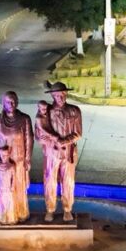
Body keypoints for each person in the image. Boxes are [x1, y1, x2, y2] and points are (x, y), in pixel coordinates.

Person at [0, 91, 33, 225]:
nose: (11, 104)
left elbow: (29, 140)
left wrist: (28, 159)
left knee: (17, 187)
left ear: (17, 102)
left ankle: (20, 214)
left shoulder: (25, 119)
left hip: (19, 161)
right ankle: (3, 216)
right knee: (3, 190)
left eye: (13, 101)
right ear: (3, 103)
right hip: (2, 162)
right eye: (7, 101)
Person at [42, 81, 82, 222]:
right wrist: (51, 141)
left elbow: (78, 133)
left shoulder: (74, 111)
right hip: (51, 153)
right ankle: (50, 209)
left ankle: (67, 209)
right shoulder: (45, 112)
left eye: (63, 94)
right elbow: (39, 134)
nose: (61, 97)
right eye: (58, 95)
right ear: (52, 95)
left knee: (68, 181)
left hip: (68, 152)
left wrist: (64, 141)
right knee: (50, 181)